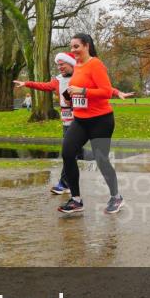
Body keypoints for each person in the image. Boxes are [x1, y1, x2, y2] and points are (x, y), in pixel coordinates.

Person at [14, 52, 132, 195]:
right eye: (58, 65)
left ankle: (66, 182)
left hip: (82, 120)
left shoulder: (81, 75)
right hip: (67, 121)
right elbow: (44, 86)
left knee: (71, 153)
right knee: (70, 153)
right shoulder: (57, 80)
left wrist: (117, 92)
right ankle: (81, 170)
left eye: (62, 64)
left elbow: (101, 86)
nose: (60, 67)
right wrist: (26, 83)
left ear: (71, 63)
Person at [57, 33, 124, 215]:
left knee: (101, 159)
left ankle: (116, 196)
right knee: (68, 152)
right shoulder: (77, 65)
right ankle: (76, 200)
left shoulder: (96, 64)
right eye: (71, 47)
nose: (73, 50)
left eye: (76, 46)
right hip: (80, 120)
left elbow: (105, 91)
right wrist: (72, 94)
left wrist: (82, 90)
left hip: (101, 120)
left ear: (86, 45)